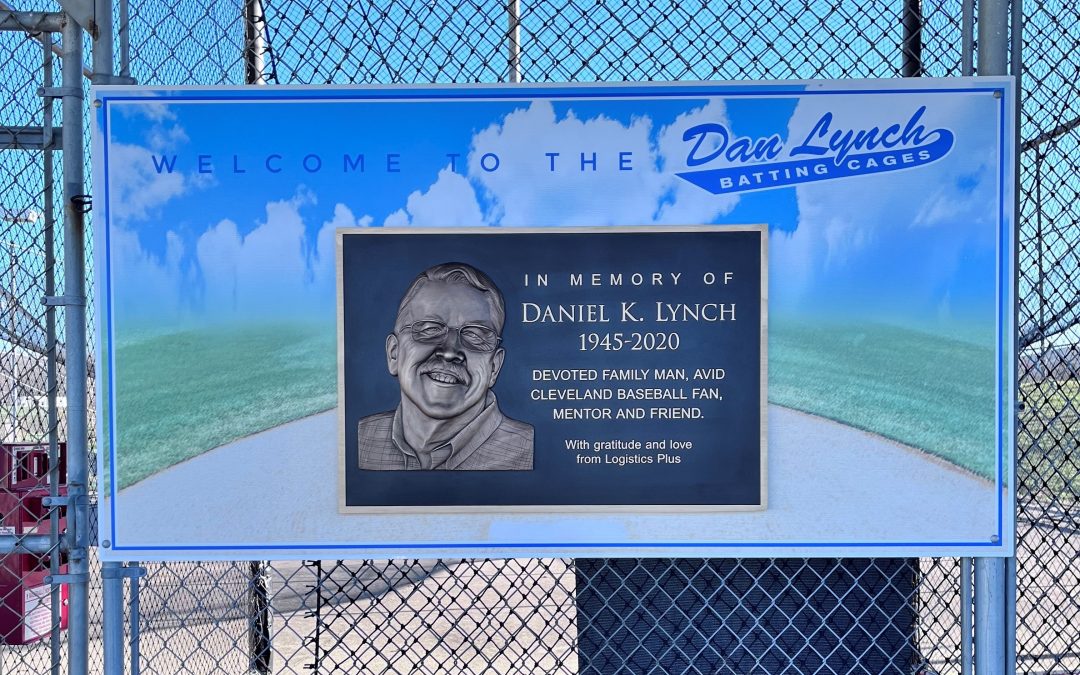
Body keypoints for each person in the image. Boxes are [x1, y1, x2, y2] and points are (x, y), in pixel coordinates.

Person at [357, 262, 534, 471]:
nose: (450, 351)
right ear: (394, 353)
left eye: (474, 335)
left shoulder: (530, 452)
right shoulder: (360, 441)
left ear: (494, 367)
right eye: (429, 329)